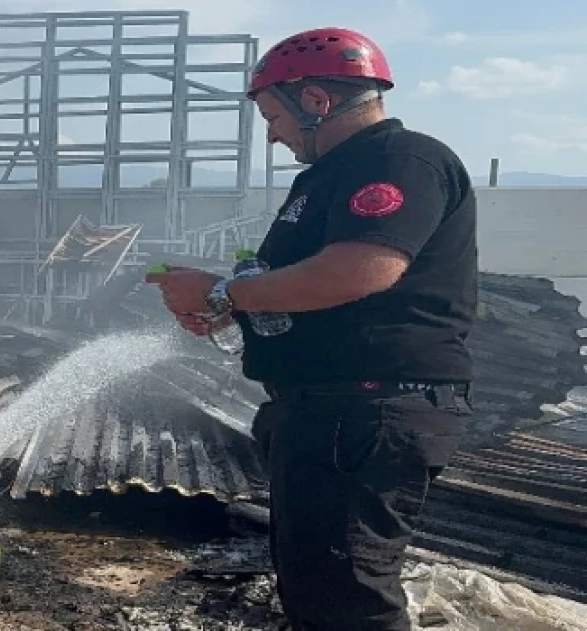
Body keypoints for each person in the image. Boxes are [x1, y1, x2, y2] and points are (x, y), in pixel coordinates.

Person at [150, 27, 477, 631]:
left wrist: (222, 291)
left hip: (364, 414)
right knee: (318, 591)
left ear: (317, 101)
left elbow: (362, 269)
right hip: (330, 414)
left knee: (347, 601)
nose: (273, 134)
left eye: (274, 116)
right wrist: (230, 308)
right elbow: (309, 289)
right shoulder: (332, 175)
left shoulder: (399, 161)